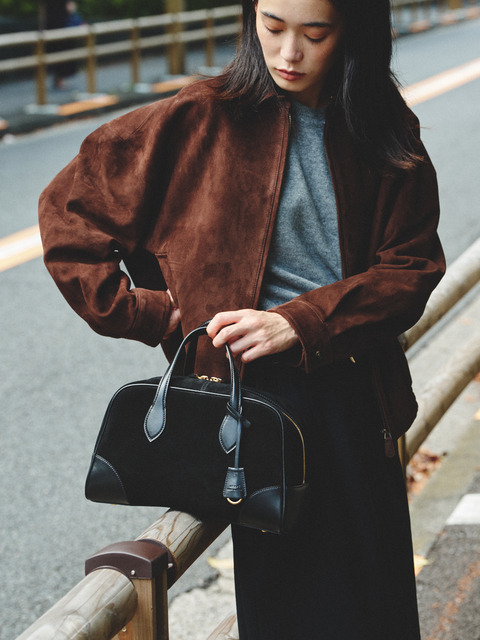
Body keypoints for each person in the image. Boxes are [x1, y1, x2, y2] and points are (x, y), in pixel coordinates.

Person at [39, 0, 445, 637]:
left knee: (376, 607)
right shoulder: (199, 117)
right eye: (272, 26)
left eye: (315, 33)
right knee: (291, 612)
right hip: (251, 407)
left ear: (353, 30)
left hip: (356, 397)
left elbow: (412, 267)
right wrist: (152, 315)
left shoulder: (380, 124)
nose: (288, 54)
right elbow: (70, 213)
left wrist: (300, 322)